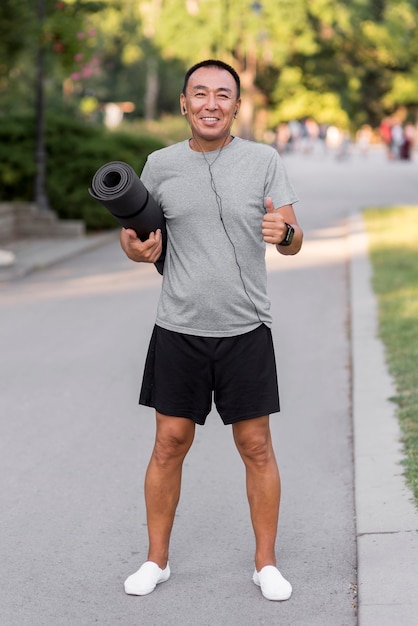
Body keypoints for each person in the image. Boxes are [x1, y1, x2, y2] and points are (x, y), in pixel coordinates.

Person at [120, 59, 303, 602]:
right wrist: (136, 247)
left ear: (236, 106)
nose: (210, 103)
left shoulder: (264, 161)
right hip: (178, 328)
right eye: (199, 93)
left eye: (223, 94)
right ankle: (156, 561)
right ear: (183, 103)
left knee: (257, 446)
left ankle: (265, 564)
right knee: (169, 443)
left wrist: (285, 231)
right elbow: (136, 238)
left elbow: (293, 236)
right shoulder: (159, 163)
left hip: (246, 328)